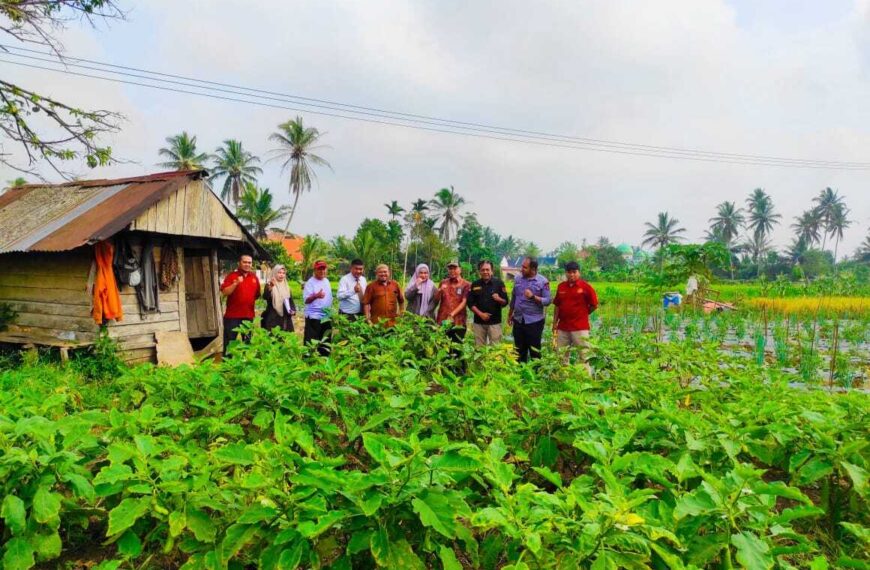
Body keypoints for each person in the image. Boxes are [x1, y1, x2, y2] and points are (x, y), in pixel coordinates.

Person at [552, 261, 598, 370]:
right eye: (569, 272)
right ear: (566, 273)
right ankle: (563, 380)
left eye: (574, 272)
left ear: (579, 272)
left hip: (580, 328)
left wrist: (583, 313)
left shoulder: (586, 287)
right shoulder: (561, 287)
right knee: (561, 357)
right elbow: (557, 305)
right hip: (563, 328)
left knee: (585, 356)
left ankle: (586, 381)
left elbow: (594, 305)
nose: (571, 274)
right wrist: (554, 323)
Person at [508, 257, 551, 363]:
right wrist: (510, 314)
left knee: (535, 352)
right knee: (519, 351)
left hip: (534, 322)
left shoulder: (543, 282)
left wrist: (533, 297)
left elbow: (548, 300)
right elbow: (514, 297)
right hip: (518, 320)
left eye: (524, 267)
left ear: (533, 269)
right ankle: (521, 376)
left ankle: (535, 377)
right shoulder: (518, 279)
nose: (521, 269)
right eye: (522, 266)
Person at [220, 253, 260, 355]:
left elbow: (256, 295)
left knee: (247, 343)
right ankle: (227, 367)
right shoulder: (232, 276)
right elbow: (225, 292)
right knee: (230, 343)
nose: (247, 264)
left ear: (252, 264)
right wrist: (235, 283)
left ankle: (246, 365)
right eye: (245, 262)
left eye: (249, 262)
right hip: (232, 317)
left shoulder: (254, 278)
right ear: (239, 263)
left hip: (248, 316)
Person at [466, 260, 509, 346]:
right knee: (479, 349)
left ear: (491, 271)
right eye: (483, 270)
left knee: (495, 349)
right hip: (479, 323)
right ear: (479, 271)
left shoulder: (499, 283)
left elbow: (506, 302)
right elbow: (470, 303)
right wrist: (481, 314)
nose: (485, 272)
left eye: (487, 269)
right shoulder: (475, 284)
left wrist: (499, 299)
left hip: (495, 323)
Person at [303, 260, 333, 356]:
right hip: (314, 317)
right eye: (319, 269)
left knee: (325, 341)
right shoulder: (310, 283)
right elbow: (306, 300)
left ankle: (324, 362)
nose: (322, 271)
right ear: (315, 270)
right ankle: (309, 364)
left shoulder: (327, 281)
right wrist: (316, 296)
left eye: (324, 269)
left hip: (326, 316)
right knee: (311, 342)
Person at [436, 261, 471, 342]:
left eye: (454, 268)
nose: (452, 271)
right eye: (450, 268)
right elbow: (436, 300)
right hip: (442, 320)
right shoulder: (443, 282)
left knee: (456, 348)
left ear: (460, 269)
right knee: (442, 347)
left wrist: (452, 314)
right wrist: (439, 291)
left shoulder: (466, 284)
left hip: (458, 322)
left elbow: (464, 302)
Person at [260, 264, 296, 332]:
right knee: (273, 338)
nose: (281, 275)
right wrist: (270, 287)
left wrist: (293, 310)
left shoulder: (287, 287)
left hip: (285, 317)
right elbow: (265, 297)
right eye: (279, 272)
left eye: (283, 273)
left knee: (285, 338)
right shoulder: (269, 284)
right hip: (272, 317)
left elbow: (290, 301)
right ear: (274, 273)